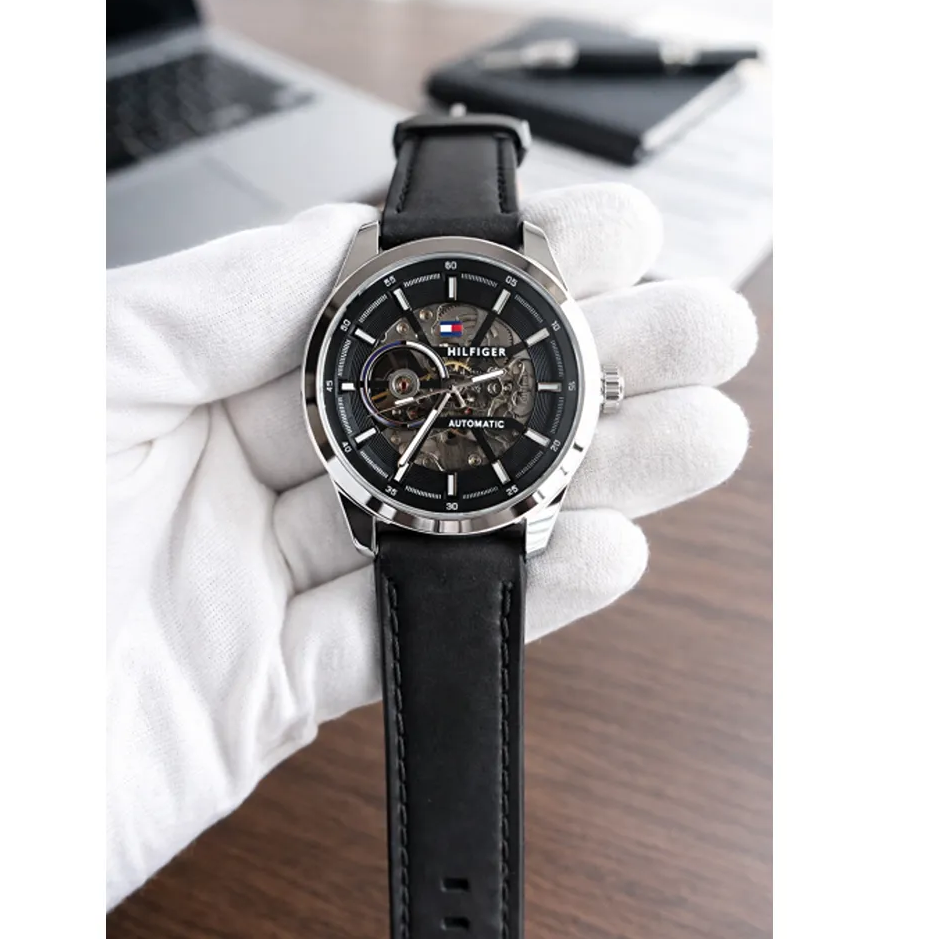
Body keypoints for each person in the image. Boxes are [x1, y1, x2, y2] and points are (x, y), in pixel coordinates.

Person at [106, 182, 757, 910]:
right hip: (391, 491)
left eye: (471, 379)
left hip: (449, 491)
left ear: (593, 391)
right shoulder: (387, 346)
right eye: (435, 380)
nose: (450, 392)